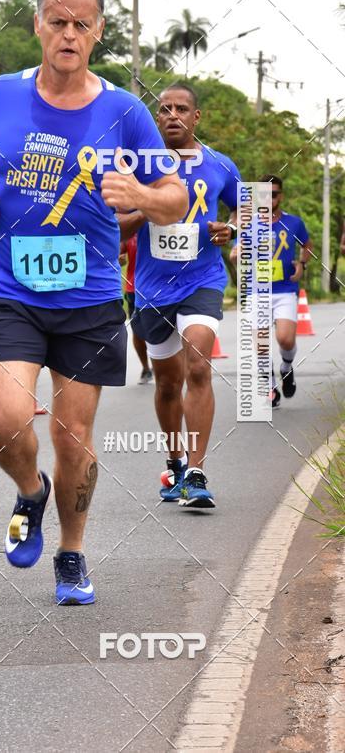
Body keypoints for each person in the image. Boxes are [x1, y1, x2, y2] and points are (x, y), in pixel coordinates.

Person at [0, 0, 187, 605]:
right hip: (10, 290)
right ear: (37, 25)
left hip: (89, 301)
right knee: (5, 421)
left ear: (99, 33)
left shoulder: (124, 112)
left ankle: (72, 552)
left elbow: (177, 195)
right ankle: (31, 492)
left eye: (82, 24)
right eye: (58, 21)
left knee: (71, 437)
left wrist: (140, 194)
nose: (69, 34)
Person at [119, 83, 241, 509]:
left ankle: (197, 472)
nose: (172, 115)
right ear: (157, 118)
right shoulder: (137, 166)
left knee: (199, 367)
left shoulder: (221, 165)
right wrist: (148, 206)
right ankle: (175, 463)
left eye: (181, 109)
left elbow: (245, 206)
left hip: (202, 280)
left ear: (196, 117)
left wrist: (234, 229)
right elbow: (116, 227)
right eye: (164, 109)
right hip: (152, 288)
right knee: (168, 384)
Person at [230, 174, 312, 408]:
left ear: (280, 196)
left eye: (273, 194)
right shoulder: (248, 224)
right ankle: (270, 388)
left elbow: (307, 246)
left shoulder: (294, 223)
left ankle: (286, 368)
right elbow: (236, 254)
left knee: (285, 340)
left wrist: (302, 263)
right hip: (258, 292)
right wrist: (236, 256)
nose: (269, 198)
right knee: (261, 344)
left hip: (285, 289)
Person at [121, 233, 153, 384]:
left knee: (164, 328)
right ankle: (146, 368)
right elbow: (118, 255)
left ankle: (166, 365)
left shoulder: (159, 223)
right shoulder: (129, 230)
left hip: (160, 287)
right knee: (138, 330)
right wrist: (119, 258)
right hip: (134, 289)